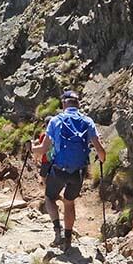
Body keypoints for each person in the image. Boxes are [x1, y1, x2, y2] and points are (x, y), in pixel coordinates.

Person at [35, 90, 106, 251]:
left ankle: (57, 231)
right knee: (69, 202)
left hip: (59, 170)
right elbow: (100, 150)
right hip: (78, 172)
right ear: (78, 104)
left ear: (64, 104)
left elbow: (43, 149)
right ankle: (68, 239)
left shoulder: (55, 120)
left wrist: (31, 149)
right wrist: (102, 159)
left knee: (49, 198)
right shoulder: (87, 121)